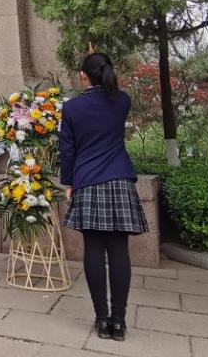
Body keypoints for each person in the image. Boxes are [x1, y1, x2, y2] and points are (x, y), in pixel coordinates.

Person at [59, 53, 148, 341]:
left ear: (83, 76)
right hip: (119, 179)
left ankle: (102, 319)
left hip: (87, 180)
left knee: (94, 250)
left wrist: (68, 182)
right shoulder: (121, 101)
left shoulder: (72, 108)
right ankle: (119, 322)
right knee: (119, 251)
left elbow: (67, 150)